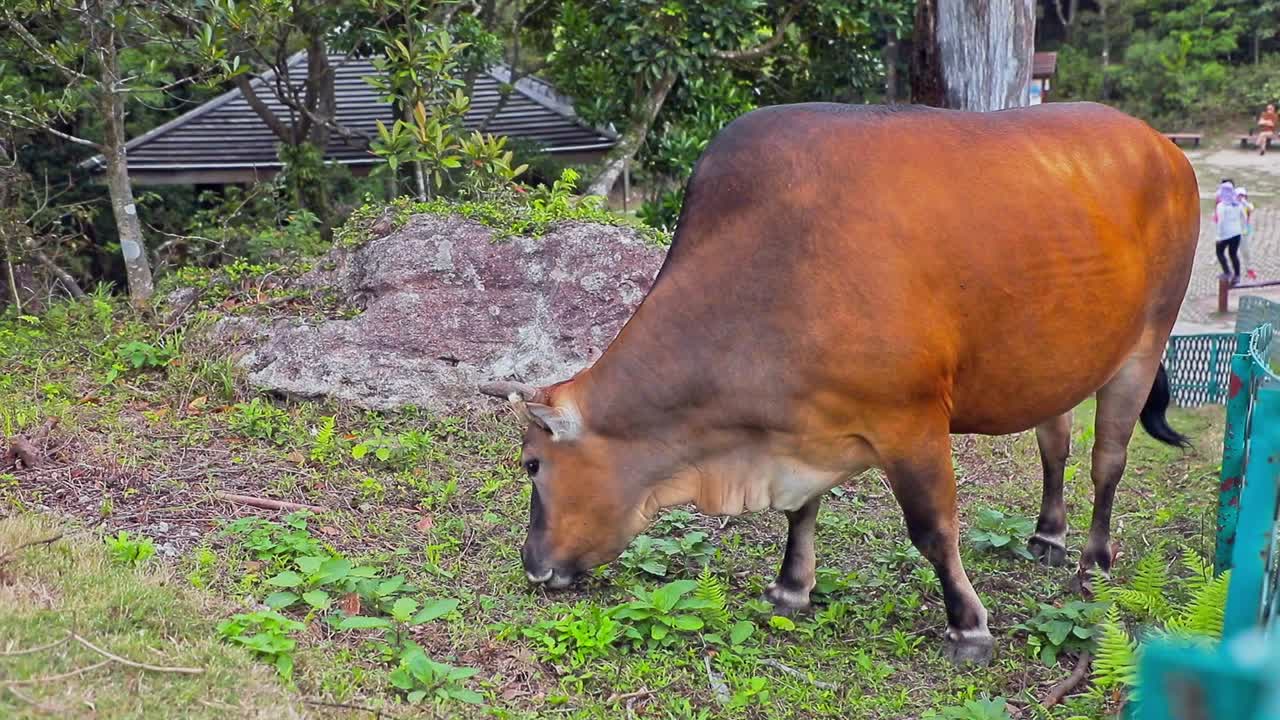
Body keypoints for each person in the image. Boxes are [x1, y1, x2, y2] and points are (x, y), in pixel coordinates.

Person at [1214, 181, 1245, 284]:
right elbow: (1243, 216)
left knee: (1219, 252)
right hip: (1236, 234)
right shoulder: (1237, 204)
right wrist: (1243, 228)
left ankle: (1227, 272)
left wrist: (1218, 236)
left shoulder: (1221, 206)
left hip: (1225, 235)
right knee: (1233, 254)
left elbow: (1220, 222)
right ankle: (1237, 275)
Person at [1237, 186, 1258, 281]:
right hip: (1234, 232)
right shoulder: (1234, 206)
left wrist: (1244, 202)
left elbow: (1251, 208)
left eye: (1243, 196)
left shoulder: (1246, 205)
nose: (1241, 198)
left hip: (1244, 232)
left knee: (1246, 251)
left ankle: (1249, 269)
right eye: (1239, 196)